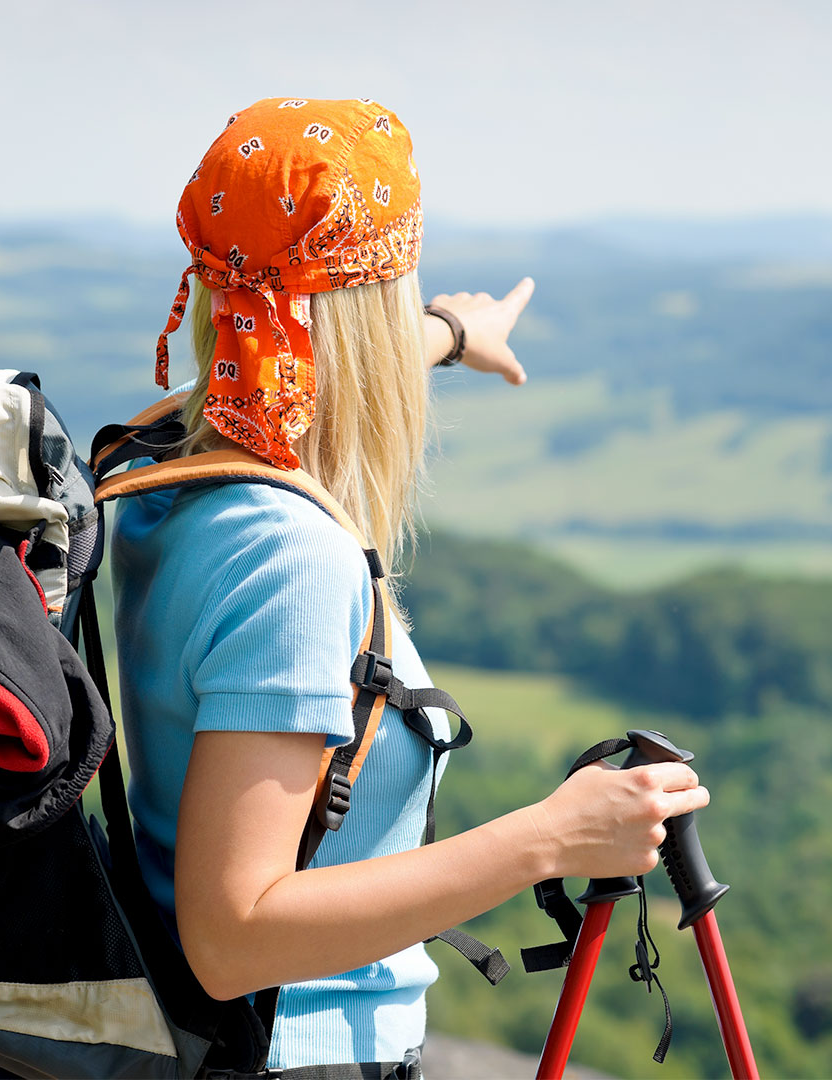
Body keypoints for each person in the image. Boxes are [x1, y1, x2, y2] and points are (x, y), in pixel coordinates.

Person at [116, 97, 710, 1074]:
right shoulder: (291, 565)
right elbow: (233, 938)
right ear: (359, 318)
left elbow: (295, 357)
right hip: (291, 1053)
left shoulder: (163, 464)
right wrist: (554, 837)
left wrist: (442, 331)